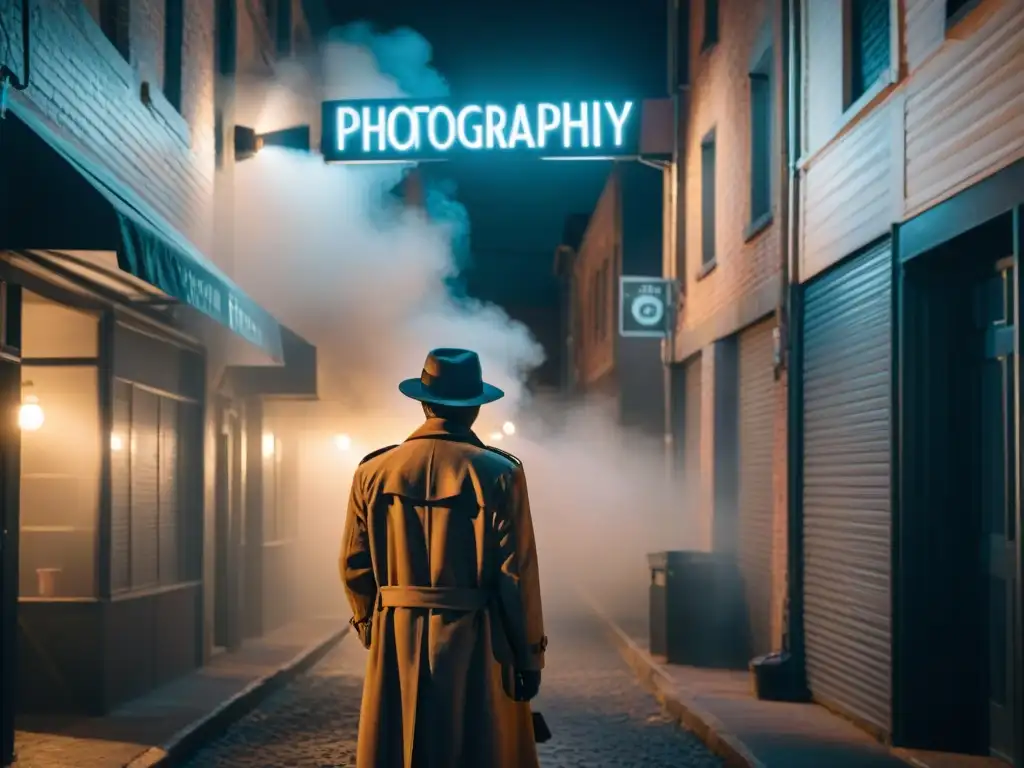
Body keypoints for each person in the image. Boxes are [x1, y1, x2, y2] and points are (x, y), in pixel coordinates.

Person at [340, 348, 547, 768]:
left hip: (396, 634)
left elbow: (355, 566)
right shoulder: (500, 473)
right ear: (474, 409)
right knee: (477, 746)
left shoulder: (372, 471)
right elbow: (516, 574)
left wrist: (371, 626)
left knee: (399, 746)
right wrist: (528, 656)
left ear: (423, 401)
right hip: (476, 638)